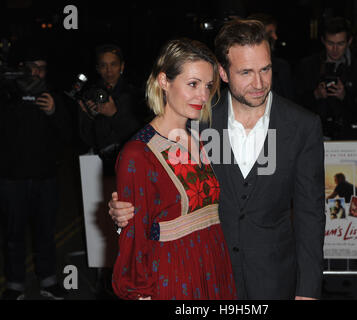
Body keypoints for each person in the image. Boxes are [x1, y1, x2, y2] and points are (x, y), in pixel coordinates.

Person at [109, 19, 326, 300]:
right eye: (246, 72)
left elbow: (311, 215)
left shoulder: (302, 126)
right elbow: (159, 191)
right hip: (210, 277)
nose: (259, 83)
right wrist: (123, 212)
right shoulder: (198, 122)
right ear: (223, 73)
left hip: (276, 280)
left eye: (265, 69)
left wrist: (307, 291)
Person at [111, 38, 237, 300]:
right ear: (164, 81)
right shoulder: (138, 154)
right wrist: (139, 294)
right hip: (175, 277)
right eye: (193, 84)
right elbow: (134, 238)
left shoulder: (205, 137)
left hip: (216, 269)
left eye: (208, 86)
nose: (203, 96)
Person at [0, 47, 72, 300]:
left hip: (45, 177)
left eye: (42, 67)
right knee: (13, 235)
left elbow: (68, 135)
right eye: (33, 66)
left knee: (45, 233)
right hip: (13, 178)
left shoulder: (52, 94)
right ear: (23, 67)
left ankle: (48, 281)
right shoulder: (8, 93)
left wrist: (54, 112)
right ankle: (15, 284)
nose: (37, 72)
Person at [296, 17, 357, 140]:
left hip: (348, 137)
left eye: (340, 44)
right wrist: (315, 95)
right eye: (330, 43)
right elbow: (294, 104)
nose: (335, 49)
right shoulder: (308, 66)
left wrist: (345, 96)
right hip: (313, 136)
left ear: (349, 41)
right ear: (323, 41)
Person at [78, 44, 142, 175]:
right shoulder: (89, 95)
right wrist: (89, 118)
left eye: (113, 64)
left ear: (122, 66)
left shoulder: (135, 94)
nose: (109, 71)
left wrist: (114, 114)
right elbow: (85, 139)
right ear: (97, 68)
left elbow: (140, 135)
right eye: (103, 65)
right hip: (101, 165)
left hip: (131, 162)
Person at [247, 13, 297, 102]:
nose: (275, 37)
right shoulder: (281, 66)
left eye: (265, 69)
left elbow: (289, 101)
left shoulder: (281, 66)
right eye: (270, 32)